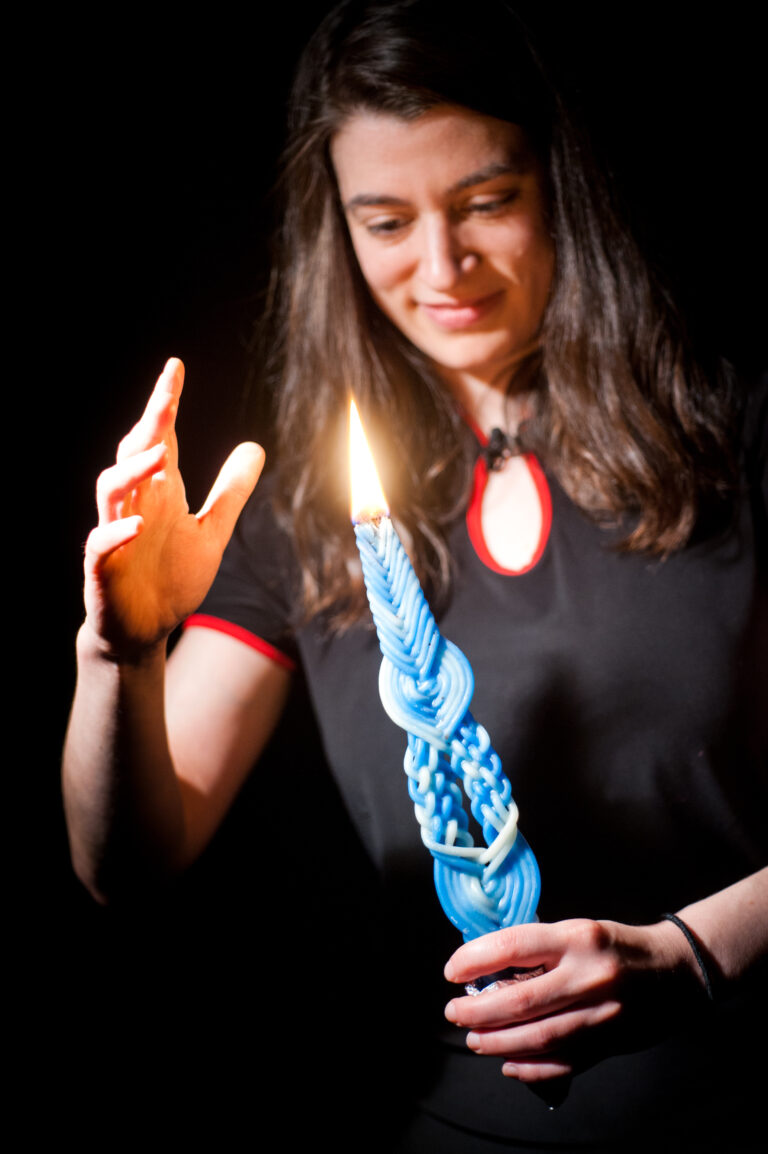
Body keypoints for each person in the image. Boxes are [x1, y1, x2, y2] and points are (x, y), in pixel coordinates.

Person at [64, 1, 767, 1148]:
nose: (442, 267)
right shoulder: (296, 515)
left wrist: (690, 955)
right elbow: (129, 859)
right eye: (385, 220)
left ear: (558, 184)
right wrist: (120, 652)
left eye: (488, 202)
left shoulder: (732, 432)